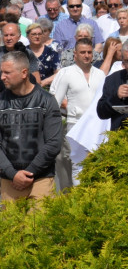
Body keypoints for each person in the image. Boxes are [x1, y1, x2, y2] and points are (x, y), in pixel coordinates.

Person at [0, 51, 63, 202]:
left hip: (42, 178)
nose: (2, 77)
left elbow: (54, 143)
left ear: (24, 73)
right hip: (10, 180)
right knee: (12, 226)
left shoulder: (47, 101)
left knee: (40, 225)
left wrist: (29, 172)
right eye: (1, 72)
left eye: (7, 72)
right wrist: (13, 174)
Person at [52, 39, 105, 191]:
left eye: (89, 52)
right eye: (82, 52)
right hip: (75, 125)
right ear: (75, 54)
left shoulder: (100, 74)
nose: (86, 55)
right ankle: (79, 199)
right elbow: (56, 102)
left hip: (96, 127)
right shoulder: (66, 73)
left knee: (98, 164)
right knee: (77, 164)